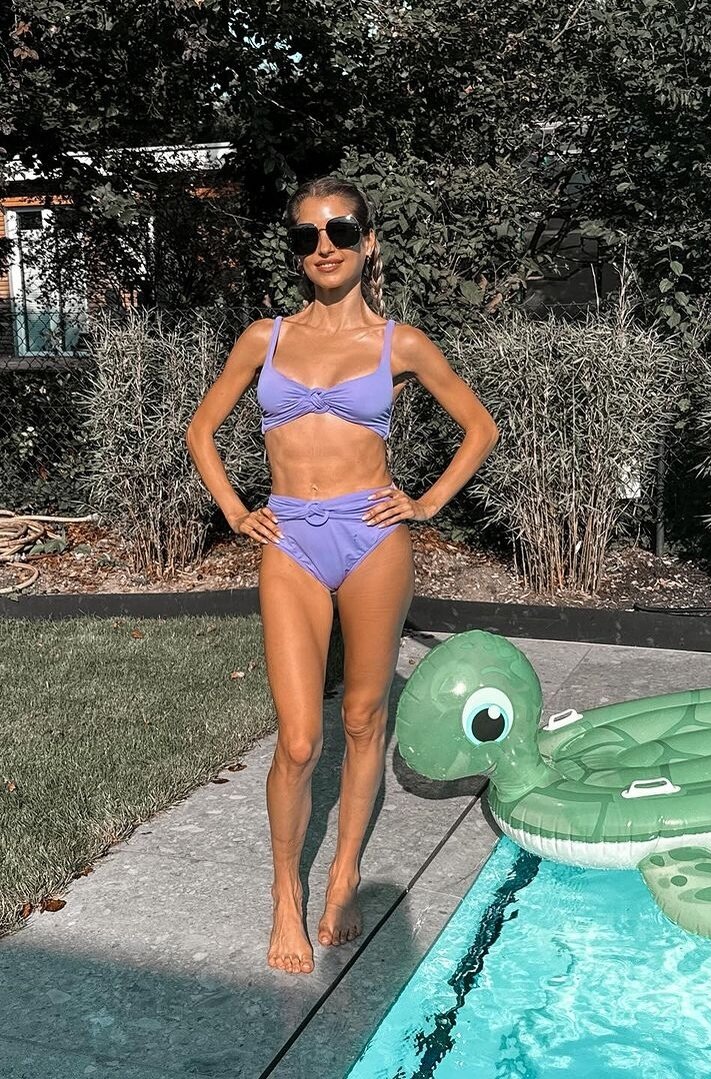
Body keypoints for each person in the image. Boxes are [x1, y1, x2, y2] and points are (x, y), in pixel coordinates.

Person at [185, 176, 499, 974]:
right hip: (290, 537)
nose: (323, 246)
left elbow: (480, 426)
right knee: (298, 740)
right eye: (307, 236)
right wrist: (235, 510)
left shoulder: (401, 344)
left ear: (368, 241)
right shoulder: (265, 338)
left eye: (340, 231)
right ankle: (285, 890)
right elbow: (201, 429)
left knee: (363, 718)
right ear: (297, 251)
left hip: (372, 537)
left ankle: (345, 871)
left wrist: (426, 502)